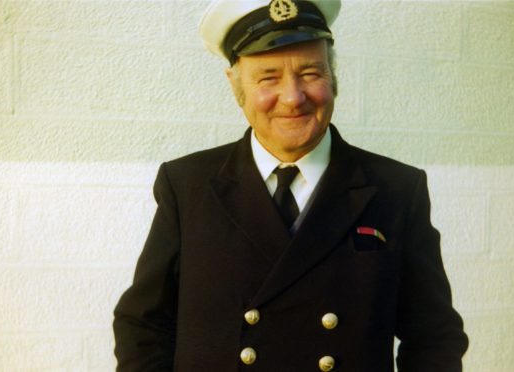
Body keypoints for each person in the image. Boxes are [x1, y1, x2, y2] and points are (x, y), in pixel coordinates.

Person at [113, 0, 468, 371]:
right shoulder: (187, 185)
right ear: (236, 85)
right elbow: (143, 325)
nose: (293, 97)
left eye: (311, 73)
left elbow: (433, 336)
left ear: (334, 76)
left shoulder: (397, 189)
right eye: (268, 78)